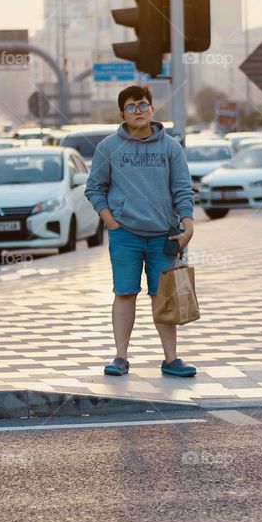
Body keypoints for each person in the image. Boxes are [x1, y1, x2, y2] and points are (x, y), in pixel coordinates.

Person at [85, 84, 196, 377]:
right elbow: (94, 187)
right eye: (132, 106)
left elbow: (183, 189)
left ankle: (171, 359)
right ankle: (120, 357)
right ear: (122, 112)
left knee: (163, 297)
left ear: (152, 108)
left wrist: (188, 224)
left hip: (164, 235)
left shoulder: (170, 147)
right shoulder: (109, 147)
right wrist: (110, 220)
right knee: (125, 293)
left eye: (143, 104)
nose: (138, 110)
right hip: (125, 235)